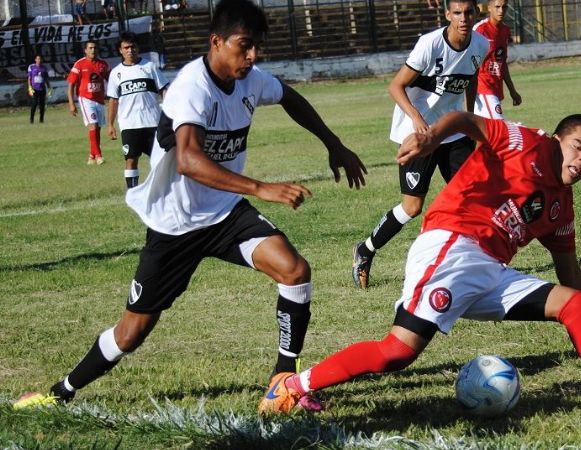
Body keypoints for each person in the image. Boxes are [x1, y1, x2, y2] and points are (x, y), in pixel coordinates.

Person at [13, 0, 366, 410]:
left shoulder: (249, 78)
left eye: (257, 48)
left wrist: (333, 143)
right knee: (132, 332)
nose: (252, 57)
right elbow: (189, 159)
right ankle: (61, 393)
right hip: (175, 224)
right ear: (216, 42)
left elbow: (290, 96)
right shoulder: (191, 86)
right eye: (244, 46)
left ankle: (282, 382)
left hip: (225, 213)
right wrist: (260, 187)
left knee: (295, 270)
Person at [259, 111, 581, 414]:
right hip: (453, 247)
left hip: (491, 271)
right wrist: (430, 137)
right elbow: (465, 121)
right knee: (396, 353)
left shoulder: (561, 205)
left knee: (570, 302)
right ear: (558, 140)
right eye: (578, 147)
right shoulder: (524, 142)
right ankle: (290, 387)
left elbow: (568, 267)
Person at [351, 0, 489, 289]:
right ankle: (365, 250)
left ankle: (469, 266)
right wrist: (415, 119)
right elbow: (395, 85)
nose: (464, 18)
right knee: (412, 207)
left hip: (452, 132)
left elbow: (471, 79)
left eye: (469, 12)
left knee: (473, 198)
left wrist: (471, 121)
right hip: (418, 136)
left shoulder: (481, 44)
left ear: (477, 13)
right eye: (458, 13)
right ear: (448, 14)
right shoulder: (430, 44)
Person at [106, 32, 169, 188]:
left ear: (138, 48)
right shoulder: (116, 73)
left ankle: (161, 189)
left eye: (133, 46)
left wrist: (169, 114)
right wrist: (110, 124)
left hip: (153, 122)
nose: (130, 50)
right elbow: (113, 100)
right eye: (126, 47)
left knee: (160, 159)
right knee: (131, 159)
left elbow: (164, 90)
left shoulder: (149, 67)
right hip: (129, 124)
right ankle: (132, 191)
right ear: (120, 50)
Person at [473, 0, 522, 119]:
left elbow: (502, 63)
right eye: (497, 7)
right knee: (499, 128)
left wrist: (512, 91)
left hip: (496, 88)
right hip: (482, 88)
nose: (501, 10)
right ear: (489, 8)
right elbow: (469, 60)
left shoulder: (505, 30)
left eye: (504, 7)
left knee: (486, 133)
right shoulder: (480, 30)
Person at [67, 40, 110, 165]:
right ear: (85, 50)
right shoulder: (79, 64)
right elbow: (71, 84)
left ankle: (91, 155)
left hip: (100, 100)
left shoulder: (103, 65)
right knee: (93, 125)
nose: (93, 50)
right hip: (85, 99)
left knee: (97, 129)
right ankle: (99, 156)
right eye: (90, 48)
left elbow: (111, 80)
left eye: (95, 48)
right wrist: (71, 103)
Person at [27, 55, 51, 124]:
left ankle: (41, 120)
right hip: (34, 89)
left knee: (42, 106)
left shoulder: (44, 68)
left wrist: (49, 87)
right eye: (38, 59)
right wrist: (29, 87)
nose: (39, 60)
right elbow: (29, 78)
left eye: (40, 59)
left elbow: (46, 79)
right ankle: (31, 120)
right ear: (35, 60)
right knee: (34, 104)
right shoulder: (31, 67)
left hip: (42, 89)